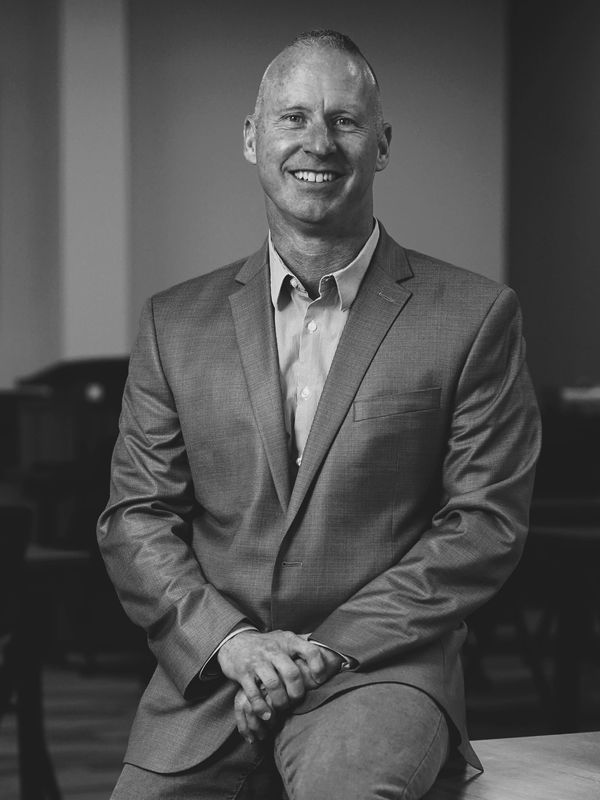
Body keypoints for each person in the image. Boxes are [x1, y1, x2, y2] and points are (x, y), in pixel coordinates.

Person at [98, 29, 541, 800]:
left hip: (383, 672)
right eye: (293, 117)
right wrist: (233, 644)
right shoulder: (175, 323)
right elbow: (137, 516)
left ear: (382, 142)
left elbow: (484, 522)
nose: (319, 141)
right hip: (215, 679)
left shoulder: (475, 315)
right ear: (251, 137)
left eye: (345, 120)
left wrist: (323, 648)